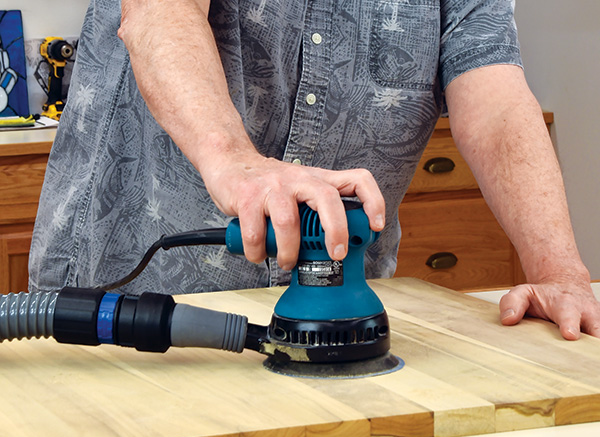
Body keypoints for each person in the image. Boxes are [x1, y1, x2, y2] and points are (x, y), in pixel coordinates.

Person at [29, 0, 600, 340]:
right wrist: (236, 161)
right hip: (130, 304)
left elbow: (494, 98)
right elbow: (159, 15)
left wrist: (559, 274)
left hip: (340, 324)